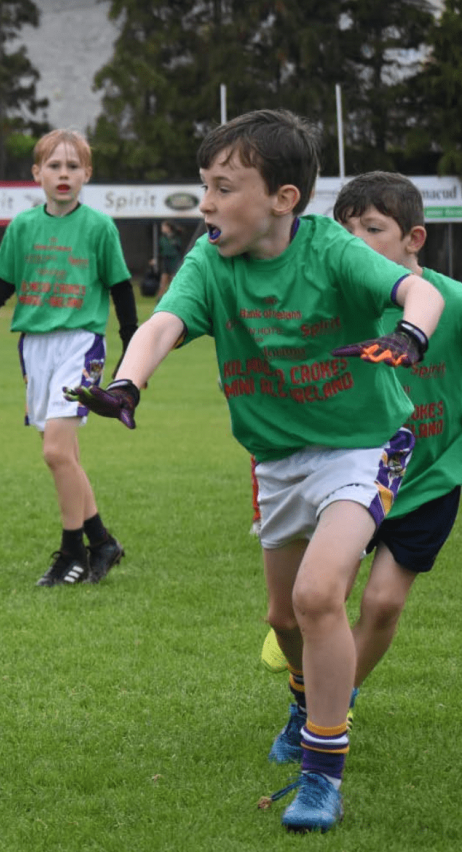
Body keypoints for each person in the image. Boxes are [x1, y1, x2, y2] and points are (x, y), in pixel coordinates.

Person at [68, 109, 444, 833]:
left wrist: (408, 334)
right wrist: (127, 383)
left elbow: (417, 292)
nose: (205, 204)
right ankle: (308, 700)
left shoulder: (332, 249)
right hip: (277, 459)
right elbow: (162, 325)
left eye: (222, 187)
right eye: (203, 186)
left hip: (364, 446)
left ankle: (320, 771)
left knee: (316, 594)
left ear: (284, 198)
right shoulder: (211, 261)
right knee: (283, 615)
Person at [257, 171, 462, 715]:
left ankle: (333, 701)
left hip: (430, 480)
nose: (356, 243)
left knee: (383, 603)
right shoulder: (339, 304)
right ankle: (311, 689)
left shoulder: (453, 304)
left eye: (372, 229)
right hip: (356, 471)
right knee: (308, 605)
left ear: (413, 238)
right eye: (346, 231)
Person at [0, 128, 136, 586]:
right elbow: (6, 280)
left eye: (73, 167)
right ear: (37, 173)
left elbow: (120, 287)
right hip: (34, 347)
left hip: (80, 344)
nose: (64, 174)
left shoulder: (99, 227)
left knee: (56, 451)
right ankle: (102, 543)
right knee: (68, 455)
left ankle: (71, 554)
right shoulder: (23, 226)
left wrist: (132, 339)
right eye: (54, 166)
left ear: (87, 174)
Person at [156, 219, 183, 298]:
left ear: (168, 227)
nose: (162, 229)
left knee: (173, 280)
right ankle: (159, 299)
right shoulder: (162, 238)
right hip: (165, 260)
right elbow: (160, 250)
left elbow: (179, 248)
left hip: (174, 260)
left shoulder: (176, 237)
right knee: (163, 280)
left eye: (164, 227)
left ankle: (174, 297)